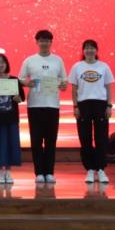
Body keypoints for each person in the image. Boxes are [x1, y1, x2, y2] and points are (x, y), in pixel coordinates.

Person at [19, 30, 68, 184]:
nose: (44, 43)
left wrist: (63, 85)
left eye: (47, 40)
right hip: (35, 105)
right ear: (37, 42)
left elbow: (64, 81)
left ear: (51, 42)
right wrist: (28, 83)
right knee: (36, 140)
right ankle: (39, 172)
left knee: (51, 140)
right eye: (41, 40)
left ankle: (49, 172)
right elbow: (20, 79)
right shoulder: (30, 60)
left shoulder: (58, 60)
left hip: (52, 105)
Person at [69, 39, 115, 184]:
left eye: (92, 48)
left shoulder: (104, 66)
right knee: (85, 138)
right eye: (87, 48)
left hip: (101, 104)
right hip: (83, 105)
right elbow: (74, 89)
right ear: (83, 51)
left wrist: (109, 105)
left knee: (101, 138)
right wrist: (75, 106)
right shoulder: (77, 67)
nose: (89, 50)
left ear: (96, 50)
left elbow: (108, 87)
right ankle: (89, 169)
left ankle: (101, 169)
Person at [0, 54, 25, 184]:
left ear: (6, 64)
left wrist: (17, 98)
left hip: (11, 118)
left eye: (2, 62)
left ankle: (8, 171)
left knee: (10, 144)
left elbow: (21, 98)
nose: (0, 65)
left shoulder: (14, 80)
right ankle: (0, 172)